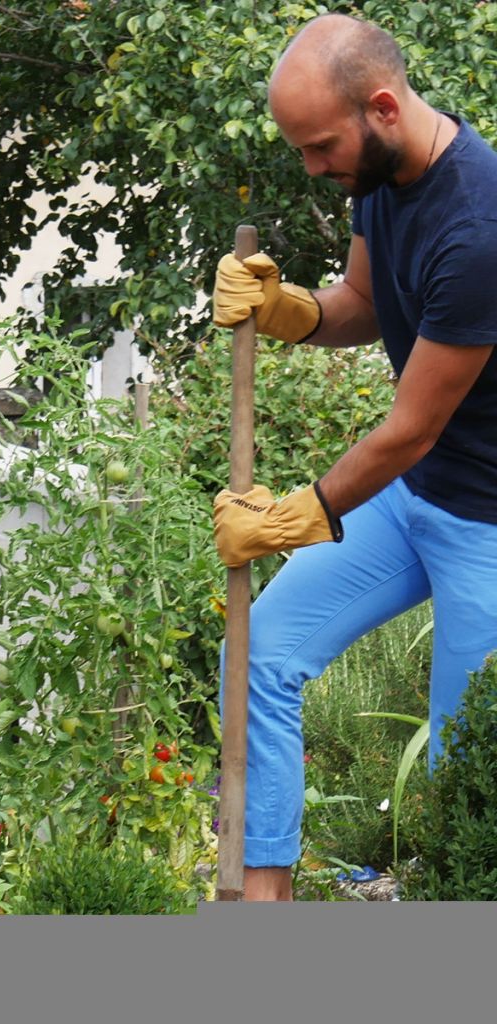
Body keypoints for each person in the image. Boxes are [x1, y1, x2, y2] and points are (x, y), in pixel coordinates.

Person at [210, 13, 497, 900]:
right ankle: (264, 903)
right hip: (418, 497)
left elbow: (410, 424)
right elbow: (366, 301)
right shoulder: (379, 174)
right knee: (259, 654)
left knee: (466, 771)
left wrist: (297, 517)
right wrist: (292, 310)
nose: (312, 166)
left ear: (380, 108)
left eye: (320, 146)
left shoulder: (482, 228)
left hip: (489, 523)